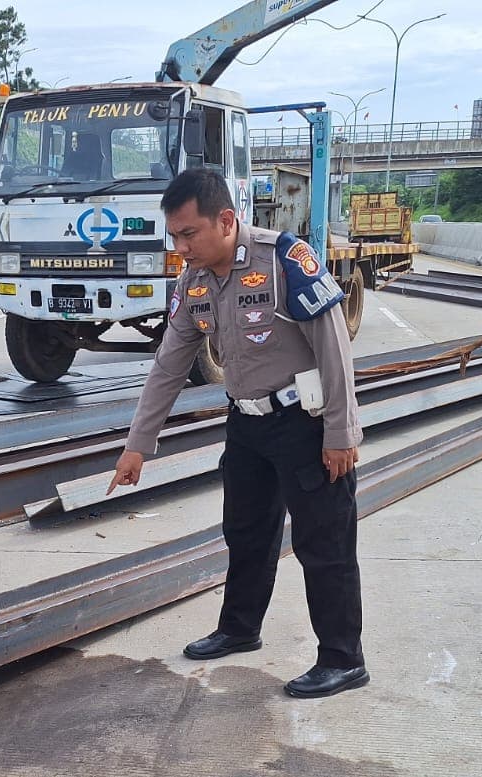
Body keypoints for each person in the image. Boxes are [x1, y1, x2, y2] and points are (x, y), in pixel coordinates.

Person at [109, 167, 367, 699]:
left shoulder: (284, 260)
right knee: (246, 533)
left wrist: (341, 433)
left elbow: (334, 346)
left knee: (324, 542)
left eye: (189, 234)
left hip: (304, 423)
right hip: (246, 425)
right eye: (174, 236)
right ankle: (239, 628)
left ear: (226, 220)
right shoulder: (193, 282)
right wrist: (138, 445)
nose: (180, 247)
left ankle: (343, 659)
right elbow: (168, 365)